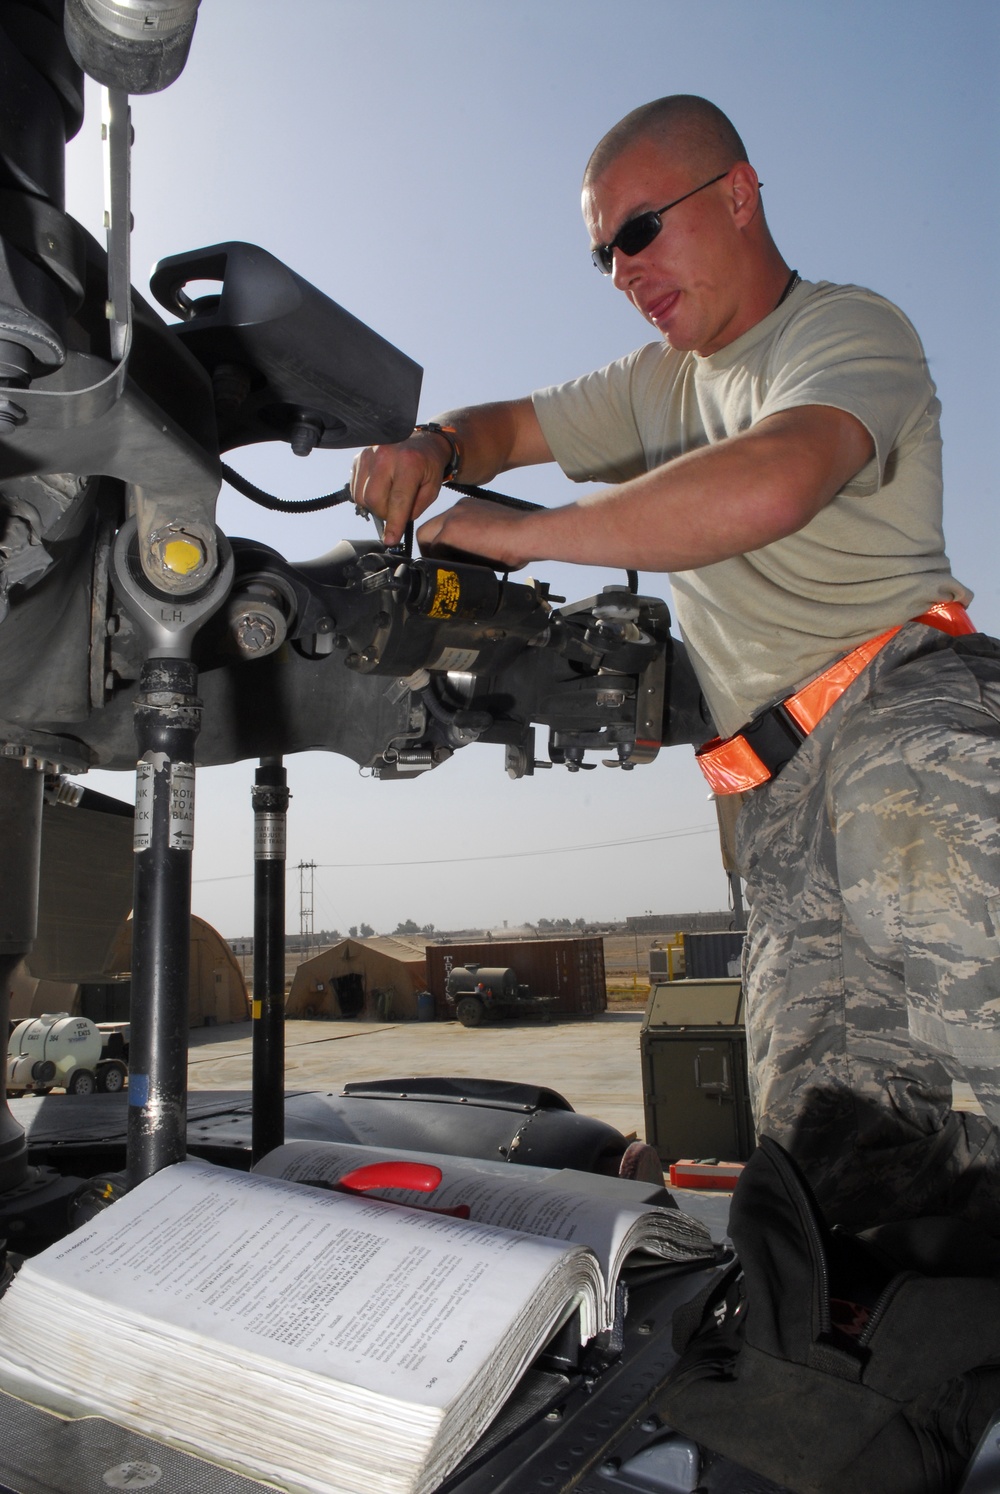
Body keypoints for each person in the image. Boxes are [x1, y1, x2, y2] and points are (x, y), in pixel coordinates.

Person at [351, 95, 1000, 1231]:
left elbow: (773, 480)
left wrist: (523, 530)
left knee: (957, 936)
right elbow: (503, 427)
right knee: (825, 1149)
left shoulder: (844, 332)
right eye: (603, 252)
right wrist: (437, 448)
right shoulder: (657, 385)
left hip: (902, 713)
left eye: (639, 231)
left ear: (737, 195)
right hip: (775, 792)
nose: (621, 270)